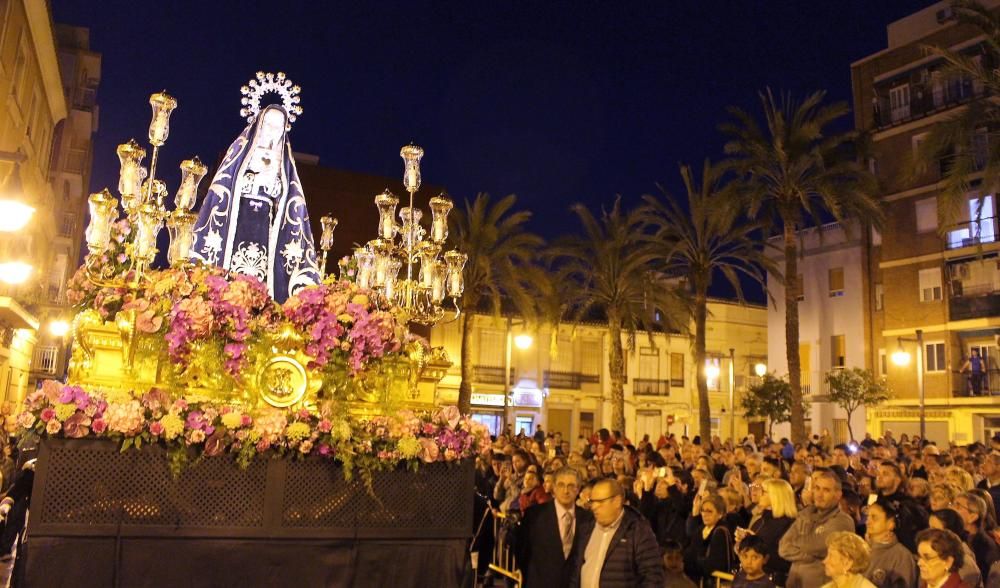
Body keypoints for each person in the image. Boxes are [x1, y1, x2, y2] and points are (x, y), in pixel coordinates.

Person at [190, 104, 321, 302]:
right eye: (268, 124)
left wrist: (275, 186)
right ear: (259, 124)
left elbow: (290, 202)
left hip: (265, 229)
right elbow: (226, 185)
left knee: (263, 283)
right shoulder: (242, 154)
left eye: (278, 127)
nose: (272, 131)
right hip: (239, 223)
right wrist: (255, 180)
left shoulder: (282, 161)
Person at [568, 478, 663, 588]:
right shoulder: (586, 529)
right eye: (592, 501)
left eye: (600, 501)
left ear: (617, 501)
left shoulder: (638, 531)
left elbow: (653, 578)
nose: (594, 507)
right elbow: (576, 573)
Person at [515, 467, 594, 588]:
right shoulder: (534, 515)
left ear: (578, 489)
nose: (566, 491)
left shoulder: (588, 519)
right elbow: (522, 551)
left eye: (571, 486)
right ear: (554, 488)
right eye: (561, 485)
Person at [779, 470, 856, 588]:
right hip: (793, 582)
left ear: (838, 495)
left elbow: (816, 545)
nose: (819, 494)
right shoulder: (805, 514)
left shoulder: (843, 521)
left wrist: (797, 542)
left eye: (826, 490)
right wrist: (813, 558)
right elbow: (783, 547)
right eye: (817, 488)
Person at [742, 478, 796, 586]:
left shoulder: (789, 525)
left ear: (776, 497)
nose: (759, 494)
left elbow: (787, 560)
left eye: (763, 492)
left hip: (773, 581)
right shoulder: (760, 521)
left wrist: (758, 546)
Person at [684, 492, 734, 587]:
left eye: (709, 511)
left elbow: (715, 565)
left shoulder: (720, 532)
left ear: (720, 514)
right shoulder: (701, 528)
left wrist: (692, 561)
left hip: (711, 582)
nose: (705, 514)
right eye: (703, 510)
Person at [865, 499, 918, 588]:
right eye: (867, 517)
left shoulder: (901, 557)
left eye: (874, 517)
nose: (868, 522)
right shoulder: (861, 549)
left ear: (890, 524)